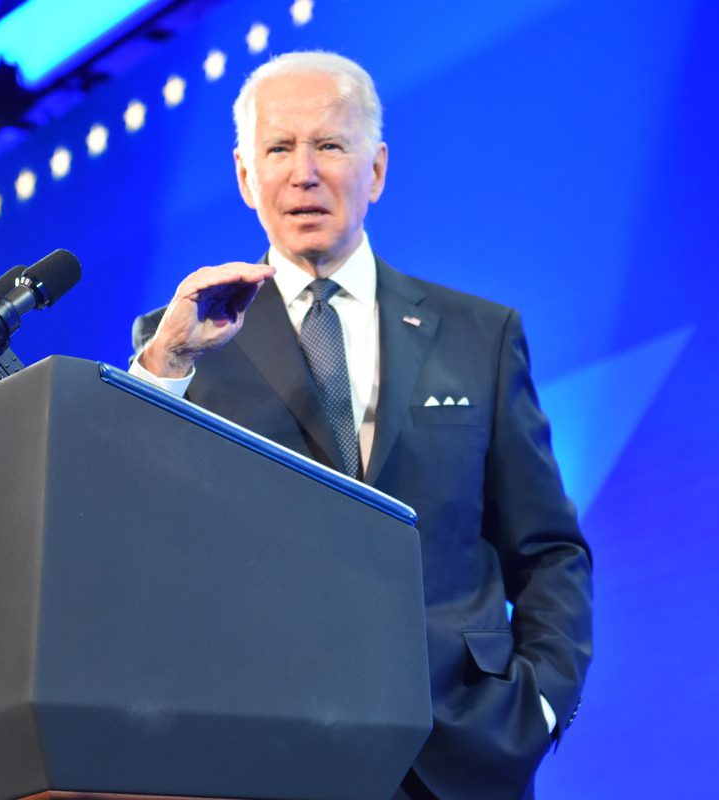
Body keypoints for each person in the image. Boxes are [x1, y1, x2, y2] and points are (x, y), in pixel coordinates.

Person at [130, 51, 591, 800]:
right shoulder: (186, 340)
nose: (303, 173)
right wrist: (162, 366)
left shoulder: (480, 334)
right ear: (245, 176)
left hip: (465, 756)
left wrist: (538, 705)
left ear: (375, 170)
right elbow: (136, 532)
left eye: (330, 146)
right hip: (266, 759)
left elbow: (548, 551)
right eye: (279, 148)